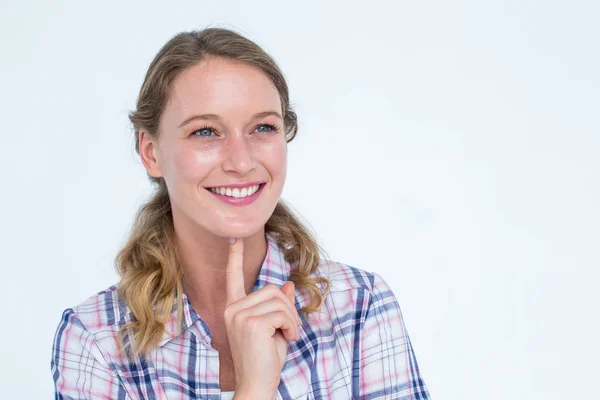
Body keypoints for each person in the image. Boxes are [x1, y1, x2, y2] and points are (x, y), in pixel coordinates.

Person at [50, 27, 430, 400]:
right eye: (205, 132)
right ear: (151, 152)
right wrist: (254, 390)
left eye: (263, 127)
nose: (241, 161)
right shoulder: (97, 339)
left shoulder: (360, 307)